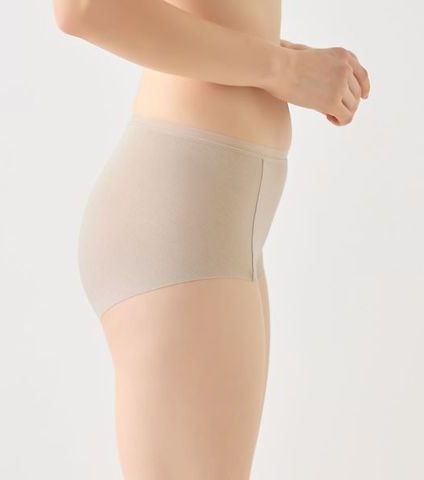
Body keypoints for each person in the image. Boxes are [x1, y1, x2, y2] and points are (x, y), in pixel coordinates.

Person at [52, 1, 371, 478]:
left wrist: (290, 61)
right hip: (182, 216)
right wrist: (283, 69)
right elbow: (83, 8)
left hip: (210, 215)